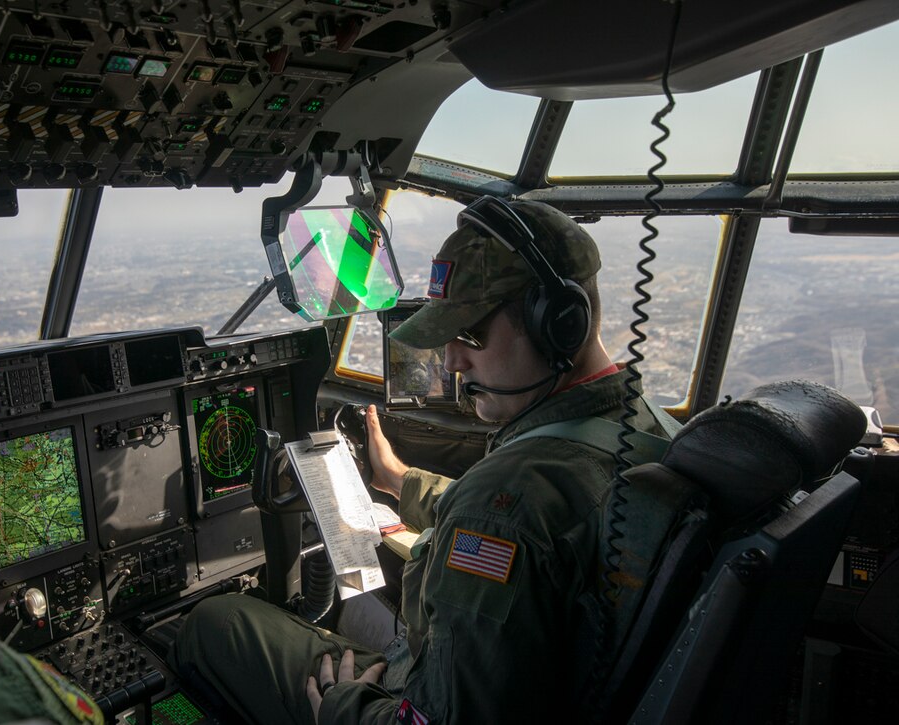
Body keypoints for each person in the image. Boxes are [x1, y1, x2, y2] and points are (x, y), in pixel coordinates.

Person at [173, 197, 674, 724]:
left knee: (214, 623)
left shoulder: (508, 504)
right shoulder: (644, 427)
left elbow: (504, 523)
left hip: (402, 702)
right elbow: (536, 525)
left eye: (471, 334)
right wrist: (400, 481)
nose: (453, 360)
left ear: (558, 323)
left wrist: (346, 708)